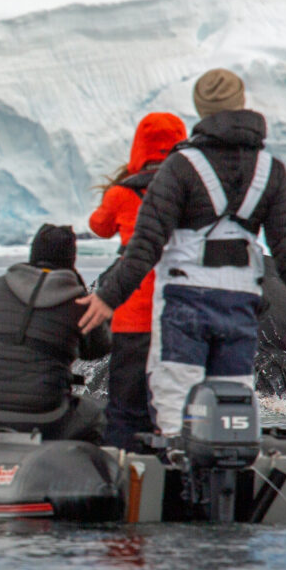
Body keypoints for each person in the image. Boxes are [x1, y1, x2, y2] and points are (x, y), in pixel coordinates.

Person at [78, 68, 286, 439]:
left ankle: (173, 476)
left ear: (200, 109)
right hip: (240, 303)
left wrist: (108, 297)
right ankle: (228, 478)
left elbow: (146, 243)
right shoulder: (271, 171)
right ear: (241, 104)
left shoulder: (181, 167)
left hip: (187, 301)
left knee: (175, 402)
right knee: (233, 398)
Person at [0, 223, 110, 441]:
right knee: (98, 414)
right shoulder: (79, 301)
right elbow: (98, 348)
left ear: (32, 252)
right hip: (40, 418)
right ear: (71, 259)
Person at [88, 111, 187, 449]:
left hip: (132, 314)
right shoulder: (189, 190)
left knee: (125, 406)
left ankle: (126, 474)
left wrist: (118, 188)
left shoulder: (121, 194)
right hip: (179, 312)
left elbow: (98, 226)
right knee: (174, 404)